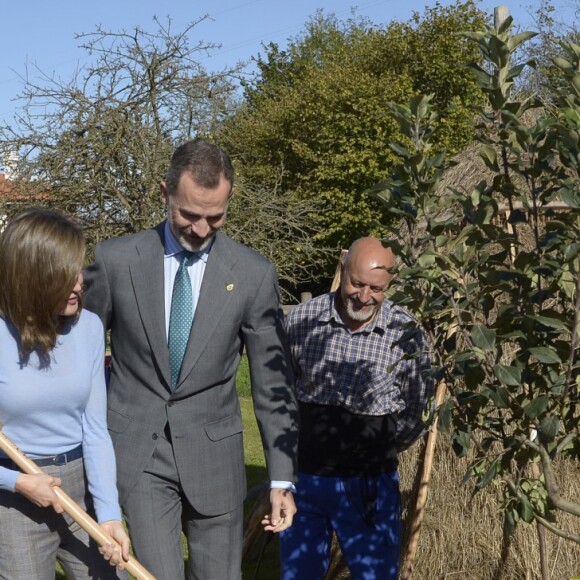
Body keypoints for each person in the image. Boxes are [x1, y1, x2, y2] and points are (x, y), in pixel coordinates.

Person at [83, 138, 299, 580]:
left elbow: (273, 384)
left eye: (214, 217)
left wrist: (281, 478)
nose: (201, 229)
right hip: (139, 453)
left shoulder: (254, 275)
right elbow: (78, 350)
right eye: (188, 215)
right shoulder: (115, 261)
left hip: (215, 457)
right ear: (164, 194)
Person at [278, 237, 434, 580]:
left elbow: (417, 410)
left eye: (376, 288)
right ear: (342, 267)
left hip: (370, 489)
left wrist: (378, 450)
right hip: (305, 482)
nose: (364, 296)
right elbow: (283, 394)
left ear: (389, 284)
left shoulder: (406, 334)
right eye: (357, 283)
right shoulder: (302, 321)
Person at [0, 208, 130, 579]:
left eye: (79, 269)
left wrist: (108, 514)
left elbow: (95, 429)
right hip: (14, 501)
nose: (79, 283)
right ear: (33, 277)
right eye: (64, 275)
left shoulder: (88, 328)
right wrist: (18, 482)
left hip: (79, 486)